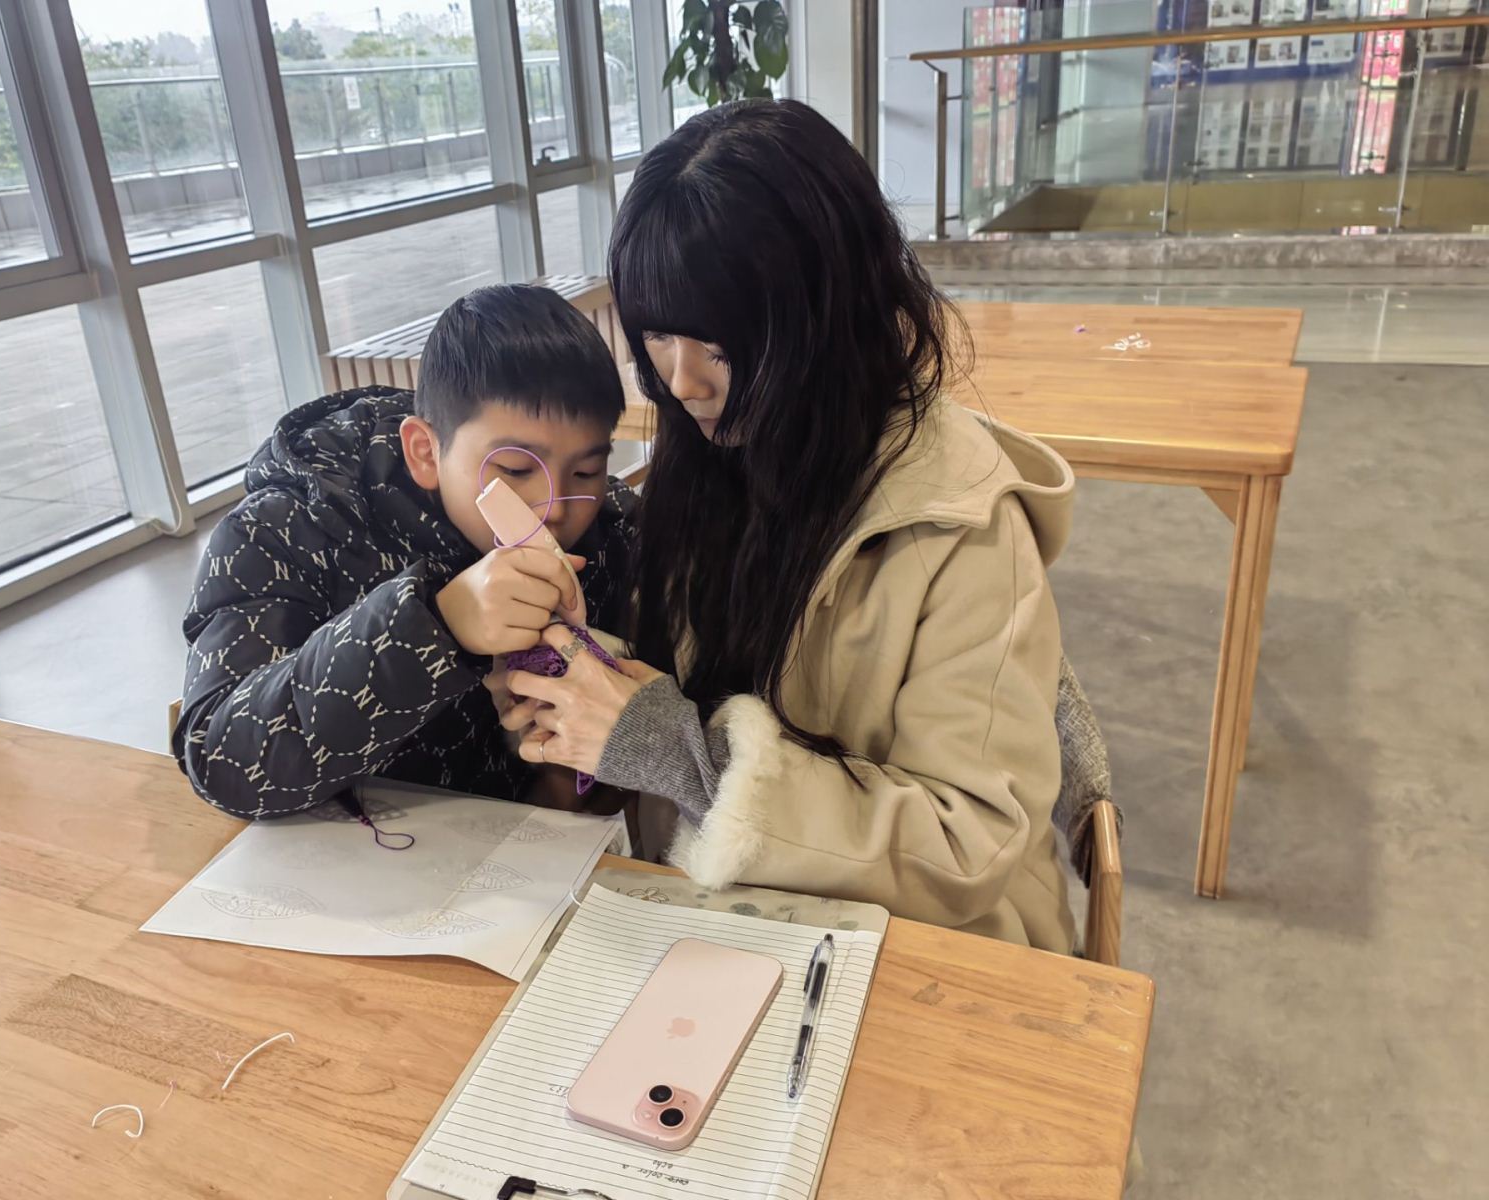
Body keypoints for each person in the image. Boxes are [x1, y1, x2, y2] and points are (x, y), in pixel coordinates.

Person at [500, 101, 1079, 952]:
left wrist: (678, 756)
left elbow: (969, 844)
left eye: (720, 345)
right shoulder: (712, 461)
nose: (682, 382)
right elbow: (675, 706)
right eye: (657, 336)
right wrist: (576, 689)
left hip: (930, 949)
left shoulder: (961, 529)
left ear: (829, 314)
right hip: (726, 923)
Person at [174, 283, 634, 820]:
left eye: (586, 471)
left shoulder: (611, 528)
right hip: (348, 855)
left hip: (527, 852)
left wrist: (569, 775)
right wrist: (434, 625)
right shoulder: (286, 528)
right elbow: (222, 762)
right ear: (425, 452)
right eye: (514, 469)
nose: (553, 508)